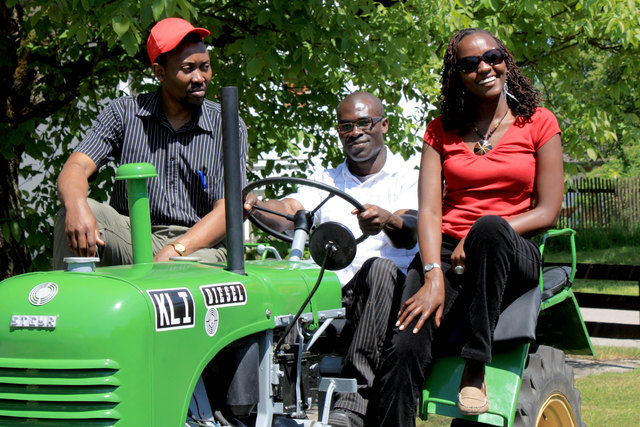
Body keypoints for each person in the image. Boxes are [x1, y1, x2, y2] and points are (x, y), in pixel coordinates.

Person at [370, 28, 564, 425]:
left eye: (491, 57)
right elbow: (428, 212)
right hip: (447, 253)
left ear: (505, 59)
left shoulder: (539, 123)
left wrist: (480, 233)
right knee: (406, 344)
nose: (484, 68)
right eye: (469, 64)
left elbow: (547, 212)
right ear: (457, 75)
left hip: (512, 251)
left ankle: (476, 365)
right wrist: (432, 275)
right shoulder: (440, 130)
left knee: (491, 228)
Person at [244, 91, 419, 427]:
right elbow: (292, 211)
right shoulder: (326, 180)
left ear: (383, 125)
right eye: (345, 126)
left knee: (378, 268)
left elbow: (410, 227)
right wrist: (258, 206)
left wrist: (387, 220)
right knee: (289, 277)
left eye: (364, 123)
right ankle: (277, 399)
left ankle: (354, 402)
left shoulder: (407, 177)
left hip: (388, 297)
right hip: (337, 295)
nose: (355, 132)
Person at [53, 17, 248, 269]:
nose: (200, 78)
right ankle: (67, 305)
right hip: (134, 237)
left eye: (205, 66)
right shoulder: (124, 113)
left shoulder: (227, 124)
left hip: (199, 245)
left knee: (182, 272)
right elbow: (77, 165)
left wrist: (175, 249)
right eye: (188, 68)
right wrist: (76, 205)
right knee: (75, 212)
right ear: (159, 72)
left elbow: (227, 210)